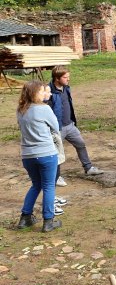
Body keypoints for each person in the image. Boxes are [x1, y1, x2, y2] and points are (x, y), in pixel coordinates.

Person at [17, 81, 62, 233]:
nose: (44, 94)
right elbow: (56, 127)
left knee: (36, 185)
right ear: (35, 93)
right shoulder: (44, 109)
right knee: (49, 186)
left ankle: (25, 218)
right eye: (42, 91)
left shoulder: (20, 110)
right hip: (46, 153)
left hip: (27, 155)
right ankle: (48, 221)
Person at [48, 66, 103, 188]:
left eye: (68, 77)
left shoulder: (66, 88)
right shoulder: (48, 92)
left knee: (81, 144)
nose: (68, 79)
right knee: (56, 153)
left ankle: (88, 168)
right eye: (65, 77)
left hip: (70, 125)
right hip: (57, 129)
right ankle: (56, 177)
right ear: (57, 78)